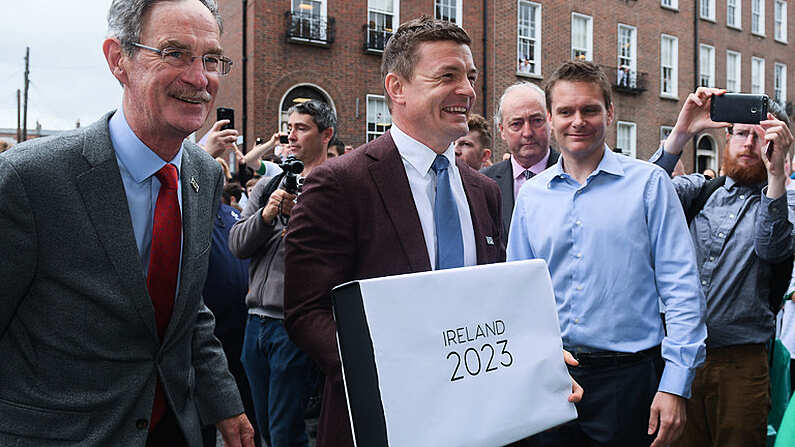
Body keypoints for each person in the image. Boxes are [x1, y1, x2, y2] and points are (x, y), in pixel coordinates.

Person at [0, 0, 255, 445]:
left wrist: (225, 403)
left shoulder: (205, 174)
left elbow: (188, 309)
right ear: (119, 60)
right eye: (175, 53)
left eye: (211, 59)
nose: (200, 78)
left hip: (176, 428)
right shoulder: (29, 179)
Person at [282, 16, 508, 447]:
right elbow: (307, 314)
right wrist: (394, 372)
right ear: (397, 88)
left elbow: (492, 303)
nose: (468, 90)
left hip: (477, 419)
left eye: (471, 76)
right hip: (380, 423)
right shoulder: (340, 183)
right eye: (447, 76)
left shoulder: (485, 191)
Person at [507, 60, 707, 447]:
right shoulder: (531, 197)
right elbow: (518, 294)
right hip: (552, 378)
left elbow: (682, 289)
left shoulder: (649, 186)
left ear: (610, 113)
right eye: (565, 111)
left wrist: (676, 384)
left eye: (590, 109)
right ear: (550, 117)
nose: (577, 121)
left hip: (630, 382)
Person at [650, 87, 795, 447]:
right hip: (681, 360)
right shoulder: (700, 190)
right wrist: (681, 132)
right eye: (741, 133)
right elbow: (641, 194)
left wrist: (776, 176)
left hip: (742, 365)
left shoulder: (783, 201)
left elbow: (772, 246)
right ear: (726, 138)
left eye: (759, 137)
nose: (748, 144)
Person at [229, 100, 334, 447]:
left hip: (292, 323)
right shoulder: (269, 183)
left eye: (301, 128)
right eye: (290, 127)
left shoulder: (334, 187)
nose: (291, 135)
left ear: (327, 134)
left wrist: (303, 217)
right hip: (255, 322)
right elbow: (238, 244)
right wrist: (266, 214)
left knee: (285, 431)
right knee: (261, 428)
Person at [481, 82, 560, 237]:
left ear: (550, 121)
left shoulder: (574, 174)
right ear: (502, 131)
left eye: (536, 121)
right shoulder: (484, 184)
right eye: (516, 124)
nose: (528, 132)